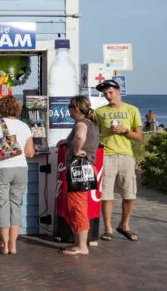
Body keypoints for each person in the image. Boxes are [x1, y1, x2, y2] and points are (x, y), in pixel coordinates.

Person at [0, 95, 35, 255]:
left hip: (1, 168)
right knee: (15, 206)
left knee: (1, 206)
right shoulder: (24, 126)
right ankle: (13, 245)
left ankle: (4, 245)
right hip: (21, 168)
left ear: (1, 108)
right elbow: (30, 153)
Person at [95, 79, 143, 242]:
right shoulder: (99, 112)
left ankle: (124, 225)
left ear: (118, 91)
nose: (108, 96)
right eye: (105, 94)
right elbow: (93, 132)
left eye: (110, 92)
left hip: (126, 156)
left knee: (129, 194)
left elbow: (138, 137)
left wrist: (124, 131)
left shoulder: (132, 110)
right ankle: (108, 228)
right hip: (106, 155)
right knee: (106, 195)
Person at [59, 95, 101, 256]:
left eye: (69, 107)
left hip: (80, 169)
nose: (68, 109)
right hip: (87, 168)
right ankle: (78, 242)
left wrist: (76, 150)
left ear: (76, 109)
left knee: (77, 206)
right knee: (72, 205)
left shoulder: (81, 123)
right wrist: (66, 141)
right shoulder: (92, 123)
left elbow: (80, 135)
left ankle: (82, 245)